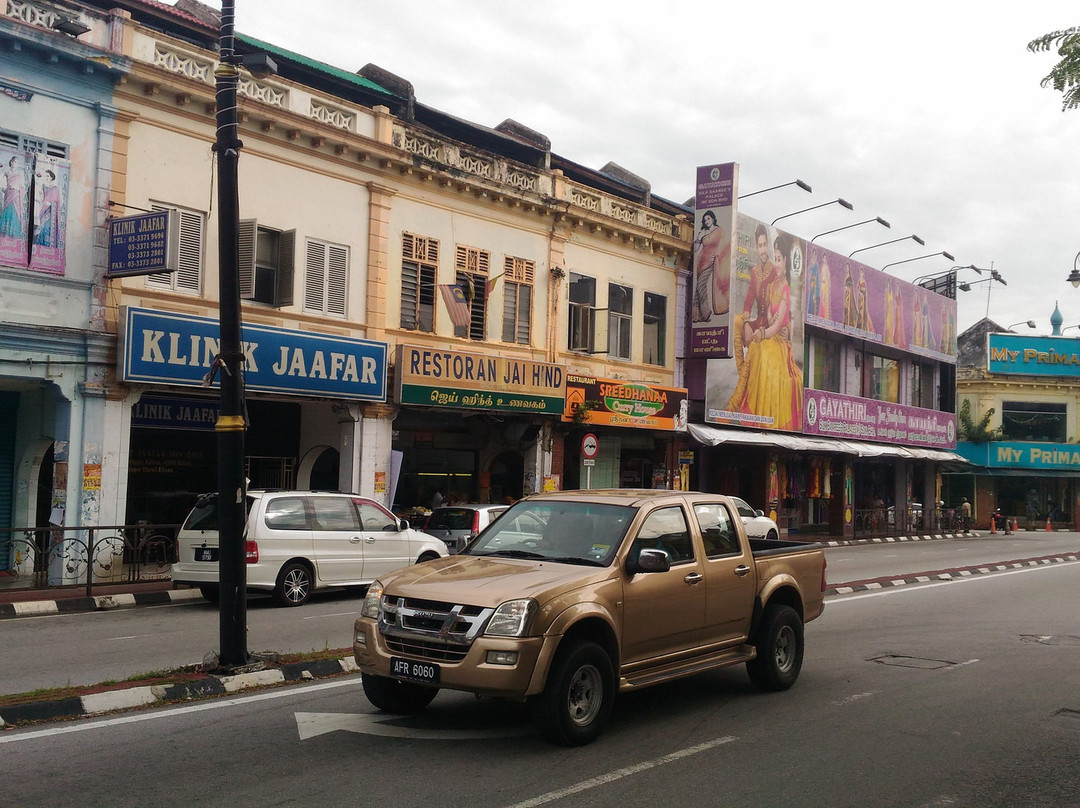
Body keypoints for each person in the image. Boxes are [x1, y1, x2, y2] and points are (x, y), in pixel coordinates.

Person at [726, 231, 804, 430]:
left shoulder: (784, 286)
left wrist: (764, 332)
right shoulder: (766, 280)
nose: (776, 262)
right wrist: (745, 322)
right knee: (735, 322)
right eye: (775, 257)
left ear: (785, 260)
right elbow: (760, 307)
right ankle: (743, 379)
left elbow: (778, 325)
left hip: (778, 342)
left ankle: (736, 400)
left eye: (779, 259)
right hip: (763, 327)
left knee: (756, 348)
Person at [730, 223, 776, 404]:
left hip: (769, 329)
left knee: (756, 344)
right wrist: (747, 323)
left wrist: (760, 329)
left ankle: (738, 396)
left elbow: (775, 309)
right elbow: (749, 298)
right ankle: (743, 374)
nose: (762, 250)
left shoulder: (774, 272)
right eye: (760, 245)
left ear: (769, 247)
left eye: (765, 245)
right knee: (736, 321)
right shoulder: (755, 271)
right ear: (757, 247)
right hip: (757, 323)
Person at [691, 210, 730, 321]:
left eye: (708, 218)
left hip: (712, 261)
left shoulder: (719, 230)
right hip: (701, 262)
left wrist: (718, 255)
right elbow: (695, 249)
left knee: (700, 285)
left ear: (713, 218)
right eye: (705, 220)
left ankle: (706, 312)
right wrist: (698, 239)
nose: (707, 221)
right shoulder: (703, 232)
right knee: (699, 286)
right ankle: (699, 315)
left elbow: (726, 246)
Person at [0, 155, 28, 239]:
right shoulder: (6, 171)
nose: (16, 164)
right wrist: (2, 188)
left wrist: (19, 190)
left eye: (17, 163)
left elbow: (23, 186)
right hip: (8, 194)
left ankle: (13, 234)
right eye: (15, 162)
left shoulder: (20, 174)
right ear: (11, 162)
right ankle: (5, 233)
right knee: (7, 211)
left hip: (16, 195)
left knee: (14, 211)